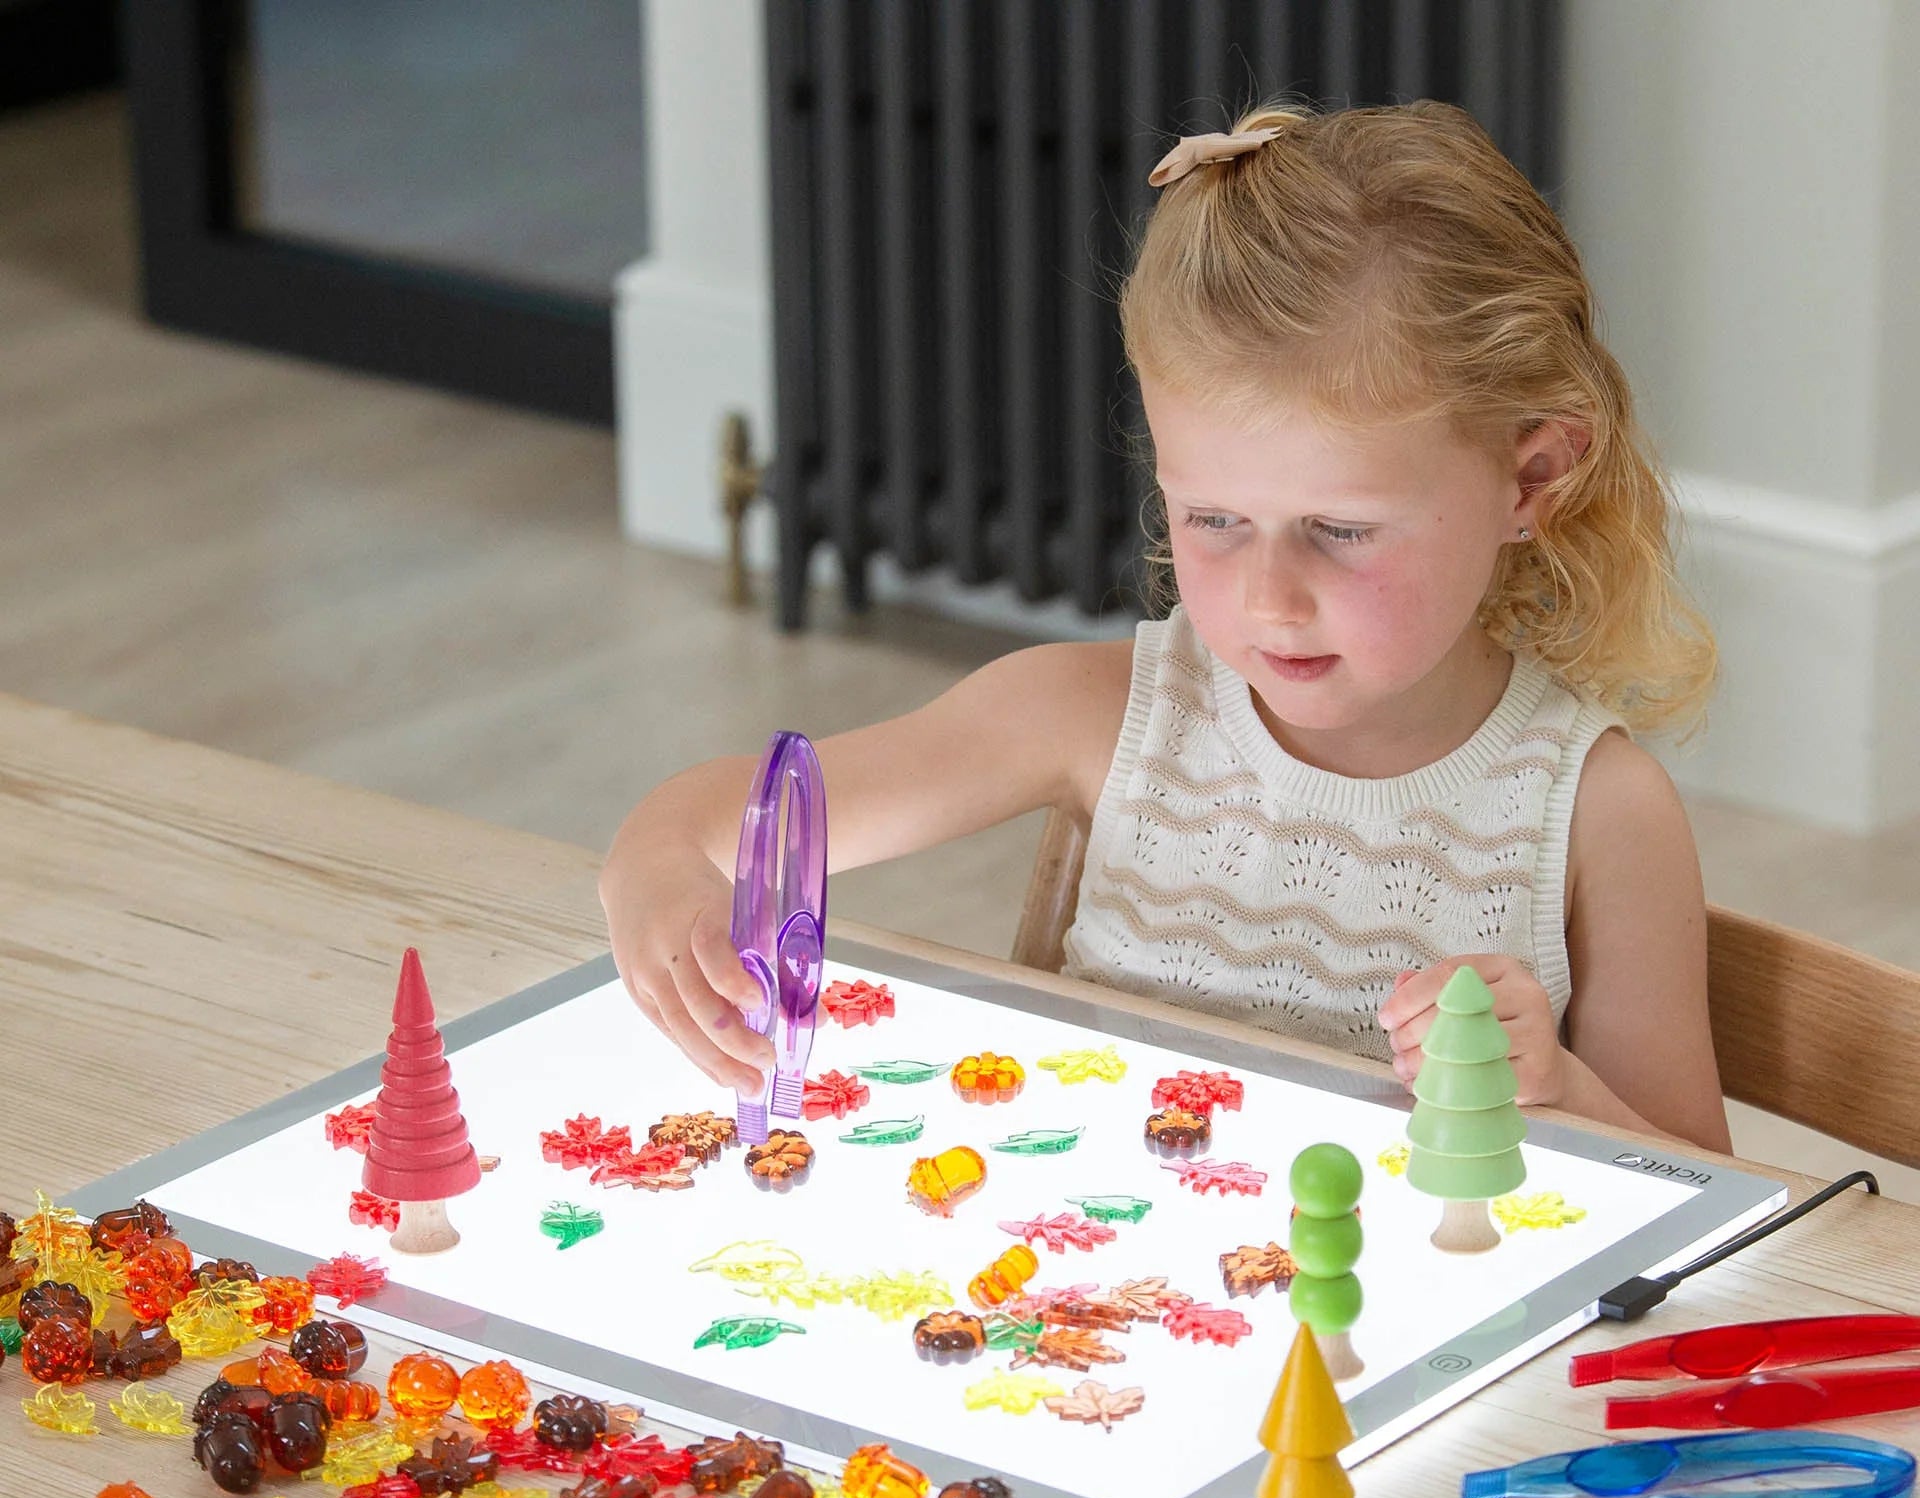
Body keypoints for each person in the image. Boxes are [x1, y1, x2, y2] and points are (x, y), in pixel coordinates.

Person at [600, 100, 1730, 1155]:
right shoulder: (1093, 714)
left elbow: (1707, 1193)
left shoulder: (1597, 813)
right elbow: (705, 826)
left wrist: (1557, 1095)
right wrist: (657, 874)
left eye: (1341, 528)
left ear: (1529, 480)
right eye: (1215, 518)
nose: (1268, 596)